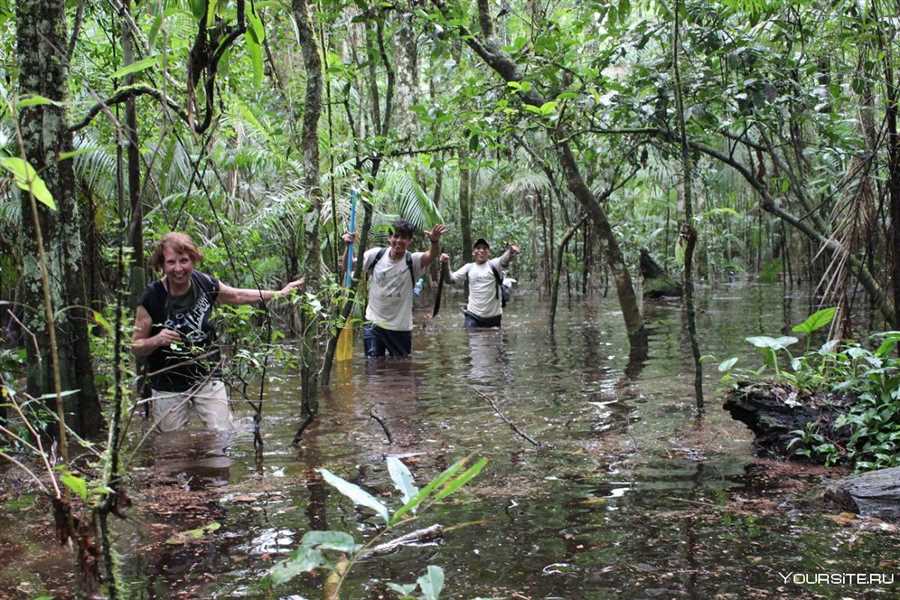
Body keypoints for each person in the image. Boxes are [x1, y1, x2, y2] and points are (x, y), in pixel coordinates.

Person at [132, 232, 303, 432]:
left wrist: (279, 293)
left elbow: (237, 295)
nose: (178, 269)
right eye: (171, 262)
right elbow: (136, 346)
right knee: (172, 446)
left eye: (184, 261)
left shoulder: (204, 283)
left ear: (194, 260)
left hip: (207, 374)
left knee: (222, 434)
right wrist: (157, 340)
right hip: (167, 381)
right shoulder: (152, 297)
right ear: (162, 265)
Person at [342, 219, 446, 357]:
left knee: (402, 370)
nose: (398, 240)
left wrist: (434, 241)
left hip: (400, 327)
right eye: (395, 236)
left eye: (403, 237)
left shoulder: (412, 260)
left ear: (410, 241)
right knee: (373, 370)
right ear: (389, 238)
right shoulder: (375, 255)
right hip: (374, 323)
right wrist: (347, 246)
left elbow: (431, 255)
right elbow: (347, 267)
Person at [441, 238, 520, 328]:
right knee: (472, 338)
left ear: (489, 252)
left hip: (493, 318)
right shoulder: (469, 267)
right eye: (478, 248)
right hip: (473, 316)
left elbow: (504, 260)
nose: (481, 250)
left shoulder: (494, 264)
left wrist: (510, 251)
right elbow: (450, 279)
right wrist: (445, 264)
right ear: (473, 252)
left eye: (485, 248)